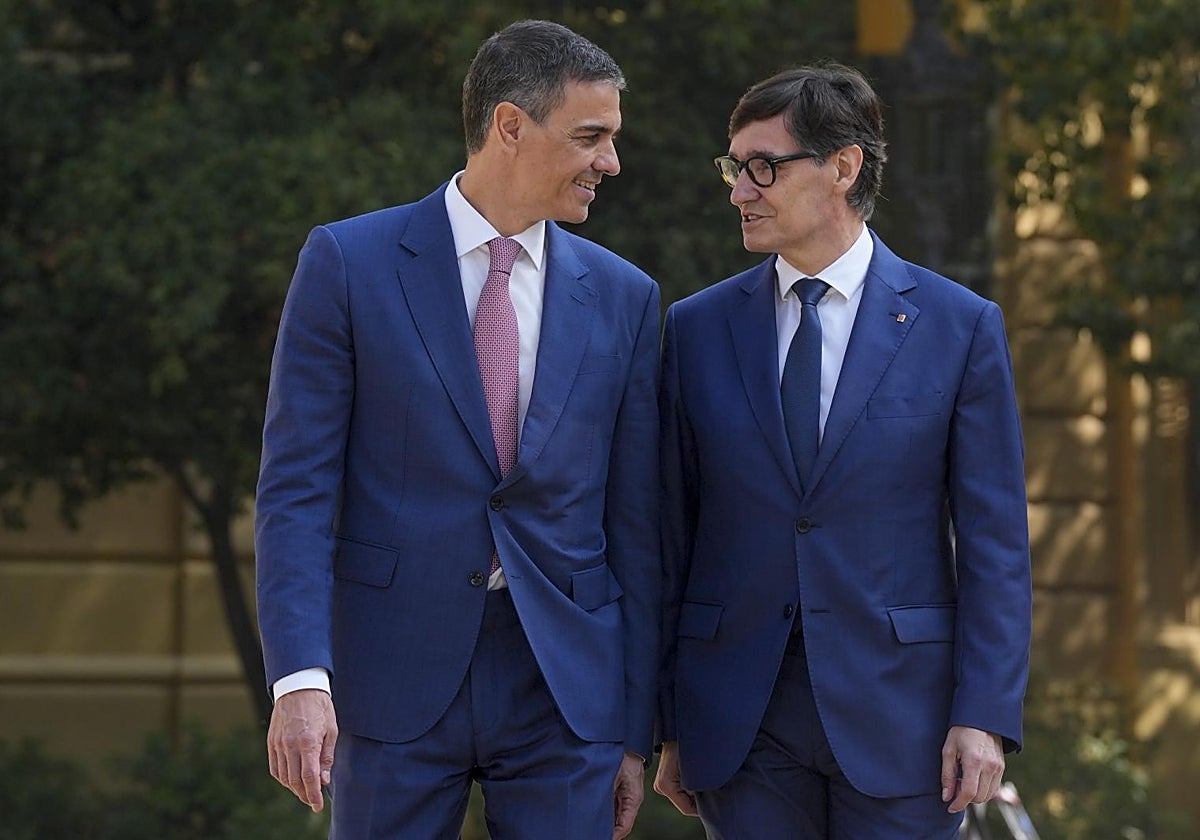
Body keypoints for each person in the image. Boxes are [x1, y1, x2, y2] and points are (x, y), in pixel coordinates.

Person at [254, 20, 661, 839]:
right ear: (510, 126)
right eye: (591, 137)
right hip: (389, 671)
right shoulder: (347, 263)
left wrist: (637, 726)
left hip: (565, 687)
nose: (609, 163)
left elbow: (637, 524)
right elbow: (297, 490)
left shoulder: (627, 296)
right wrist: (300, 676)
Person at [653, 63, 1032, 839]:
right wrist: (665, 721)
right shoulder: (695, 329)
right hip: (739, 719)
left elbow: (995, 544)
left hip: (907, 719)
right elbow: (668, 534)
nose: (739, 190)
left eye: (763, 166)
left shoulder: (959, 327)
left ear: (843, 166)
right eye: (734, 167)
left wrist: (984, 716)